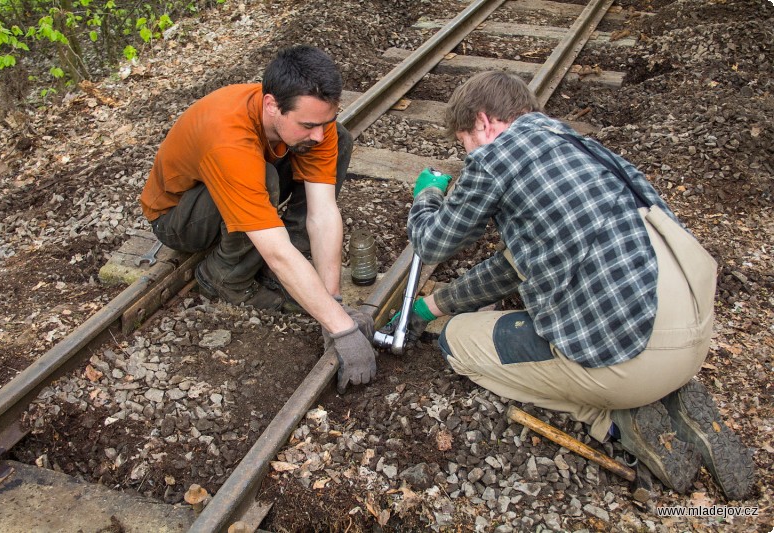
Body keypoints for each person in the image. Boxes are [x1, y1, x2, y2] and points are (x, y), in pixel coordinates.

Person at [400, 71, 754, 499]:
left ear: (482, 122)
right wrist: (432, 306)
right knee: (495, 314)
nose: (467, 154)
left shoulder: (498, 156)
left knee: (456, 342)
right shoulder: (577, 147)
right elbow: (514, 267)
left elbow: (431, 241)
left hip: (629, 358)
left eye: (464, 142)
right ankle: (666, 393)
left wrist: (427, 197)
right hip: (692, 336)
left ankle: (615, 416)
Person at [139, 45, 376, 393]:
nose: (318, 134)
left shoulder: (313, 124)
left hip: (241, 179)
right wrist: (343, 330)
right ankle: (223, 278)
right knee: (262, 179)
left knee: (338, 140)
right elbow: (275, 248)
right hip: (180, 218)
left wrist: (332, 303)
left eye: (323, 121)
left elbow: (322, 213)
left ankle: (285, 277)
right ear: (271, 105)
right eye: (309, 124)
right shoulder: (228, 141)